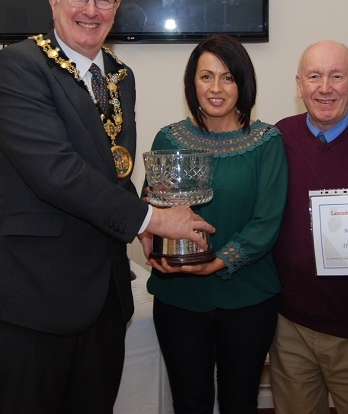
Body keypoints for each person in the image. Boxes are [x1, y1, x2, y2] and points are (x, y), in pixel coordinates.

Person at [0, 0, 213, 414]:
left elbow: (113, 172)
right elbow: (57, 173)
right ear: (54, 2)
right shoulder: (17, 66)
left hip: (103, 299)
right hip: (31, 298)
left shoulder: (118, 76)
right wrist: (153, 218)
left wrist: (141, 229)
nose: (91, 10)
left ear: (117, 6)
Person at [145, 34, 288, 414]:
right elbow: (152, 209)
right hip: (179, 298)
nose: (216, 88)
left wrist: (218, 261)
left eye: (228, 77)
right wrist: (147, 234)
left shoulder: (266, 141)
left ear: (244, 83)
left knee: (239, 402)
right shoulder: (168, 138)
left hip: (247, 298)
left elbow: (267, 222)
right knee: (189, 403)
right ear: (192, 82)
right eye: (206, 76)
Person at [269, 40, 348, 414]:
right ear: (299, 84)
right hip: (292, 326)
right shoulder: (279, 136)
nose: (325, 88)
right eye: (314, 76)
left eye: (336, 76)